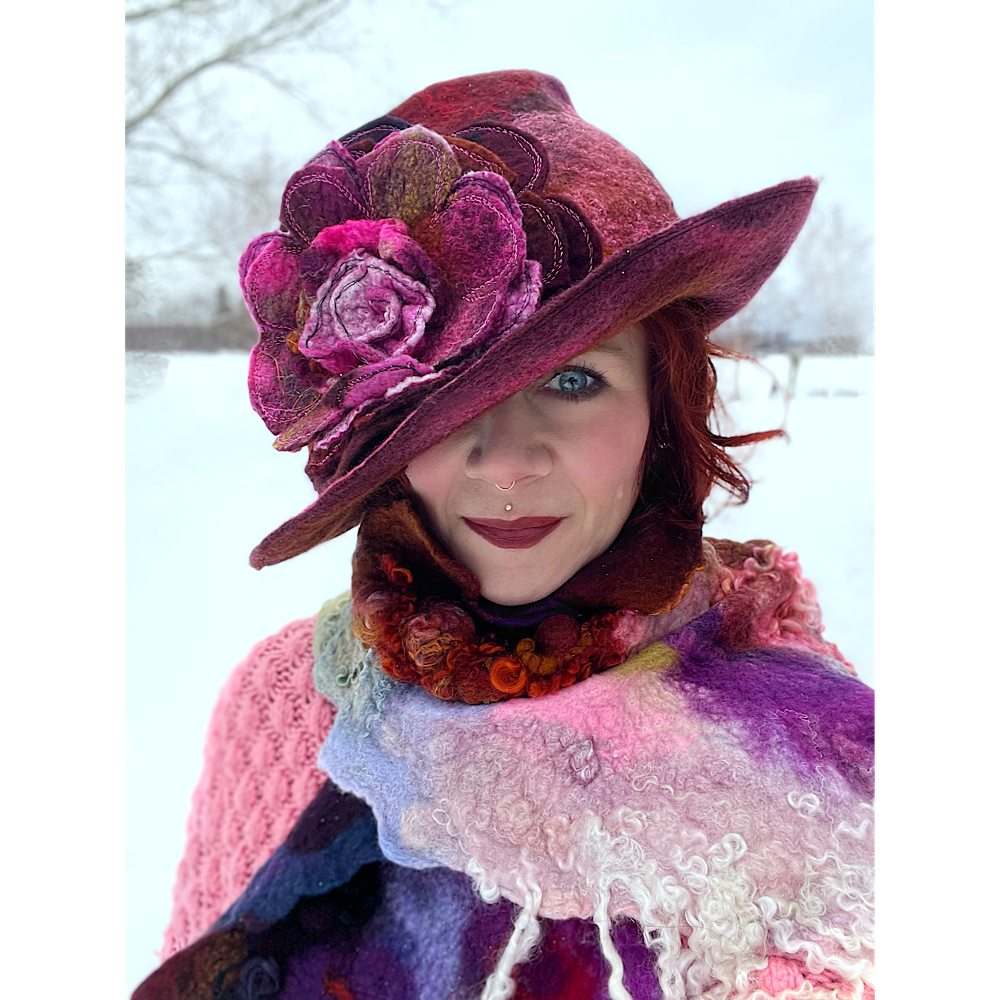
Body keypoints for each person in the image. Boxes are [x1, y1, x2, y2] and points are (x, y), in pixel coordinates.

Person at [133, 71, 874, 1000]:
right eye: (447, 405)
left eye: (574, 381)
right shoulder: (288, 704)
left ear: (662, 409)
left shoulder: (822, 752)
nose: (508, 462)